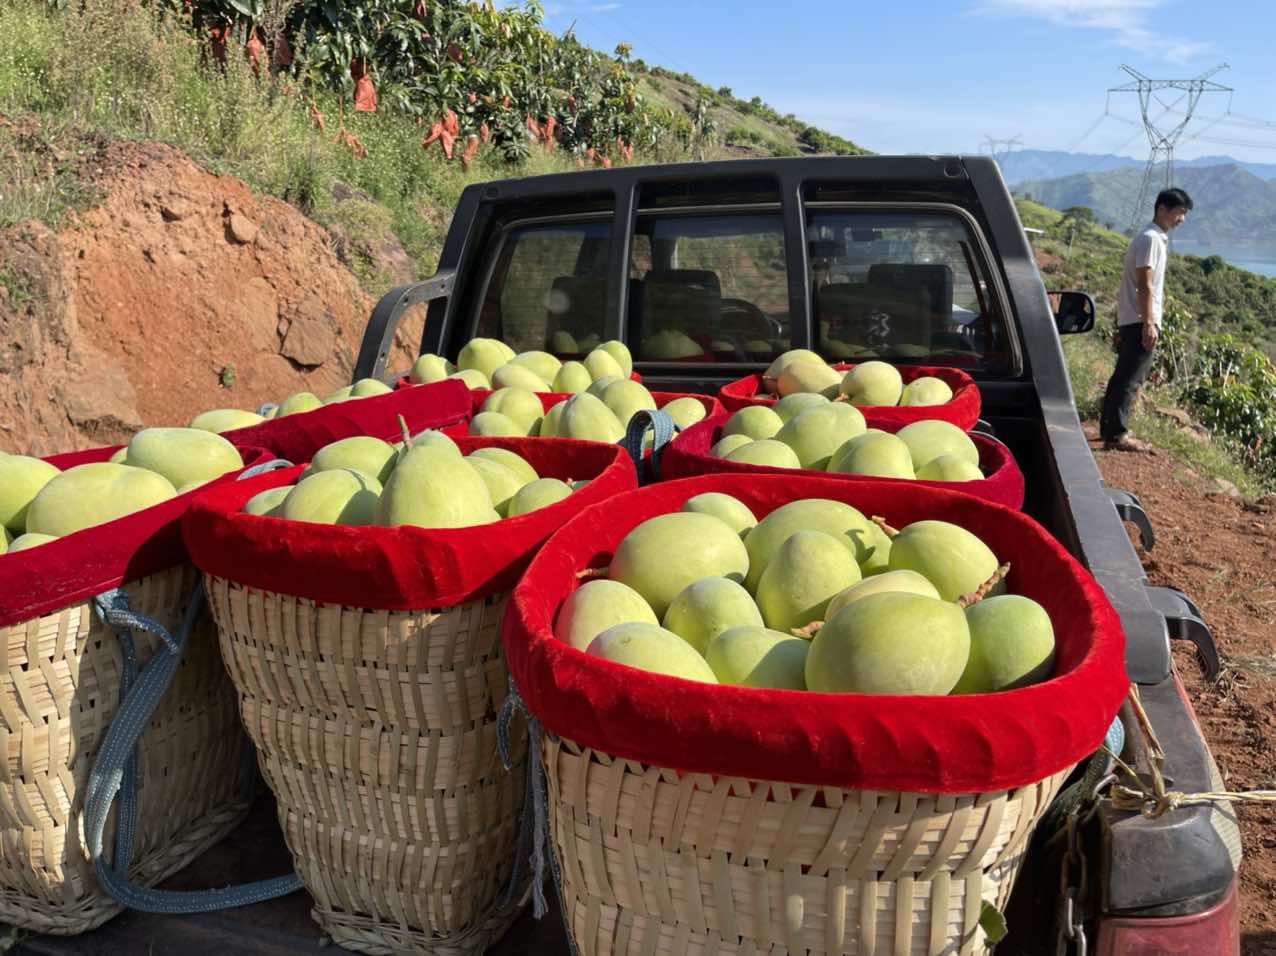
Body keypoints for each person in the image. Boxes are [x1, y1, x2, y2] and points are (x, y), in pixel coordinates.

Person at [1099, 187, 1193, 452]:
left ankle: (1109, 429)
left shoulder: (1149, 237)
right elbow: (1145, 284)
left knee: (1122, 376)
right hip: (1141, 319)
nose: (1181, 220)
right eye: (1179, 213)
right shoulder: (1151, 239)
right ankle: (1118, 435)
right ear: (1162, 209)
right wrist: (1149, 322)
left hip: (1132, 317)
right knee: (1131, 379)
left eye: (1184, 214)